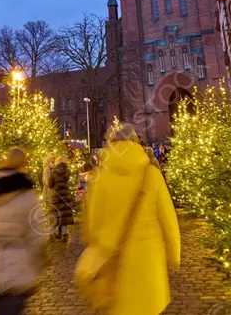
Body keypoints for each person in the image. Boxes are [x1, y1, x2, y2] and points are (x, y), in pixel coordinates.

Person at [77, 124, 180, 315]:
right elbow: (168, 219)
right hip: (148, 264)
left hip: (114, 268)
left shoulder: (101, 178)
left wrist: (96, 251)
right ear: (136, 144)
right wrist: (173, 254)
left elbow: (91, 224)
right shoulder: (152, 175)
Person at [0, 147, 49, 315]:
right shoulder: (27, 196)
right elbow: (38, 234)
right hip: (18, 265)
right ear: (23, 166)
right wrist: (38, 261)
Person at [49, 153, 75, 239]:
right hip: (65, 196)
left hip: (56, 196)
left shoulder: (53, 172)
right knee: (64, 215)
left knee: (55, 214)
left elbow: (50, 184)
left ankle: (52, 233)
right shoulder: (67, 172)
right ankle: (64, 233)